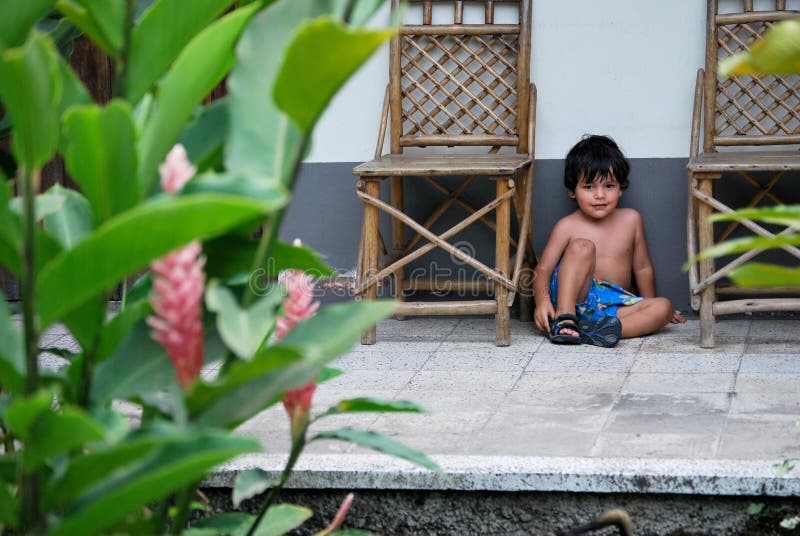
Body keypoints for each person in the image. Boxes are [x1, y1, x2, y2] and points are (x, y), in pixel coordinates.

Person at [533, 135, 685, 347]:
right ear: (571, 191)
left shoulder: (631, 219)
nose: (600, 195)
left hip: (613, 306)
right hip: (576, 299)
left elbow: (642, 268)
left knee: (664, 308)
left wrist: (648, 302)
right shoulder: (567, 225)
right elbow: (543, 270)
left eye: (609, 186)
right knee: (582, 246)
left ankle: (595, 332)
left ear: (621, 187)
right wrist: (542, 302)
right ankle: (565, 319)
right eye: (589, 187)